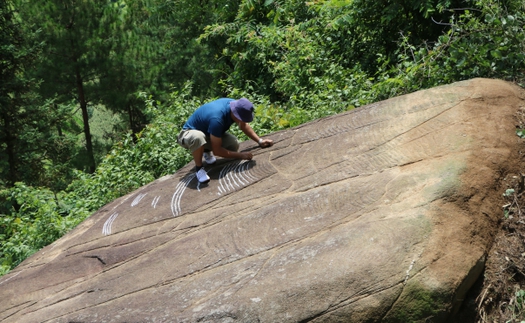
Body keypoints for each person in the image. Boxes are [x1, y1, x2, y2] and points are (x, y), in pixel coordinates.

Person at [177, 98, 274, 183]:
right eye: (242, 118)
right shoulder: (217, 118)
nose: (243, 120)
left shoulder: (235, 105)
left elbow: (243, 125)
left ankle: (206, 151)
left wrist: (259, 141)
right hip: (188, 134)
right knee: (198, 137)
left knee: (233, 145)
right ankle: (199, 169)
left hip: (208, 133)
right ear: (236, 114)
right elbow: (217, 151)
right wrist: (241, 155)